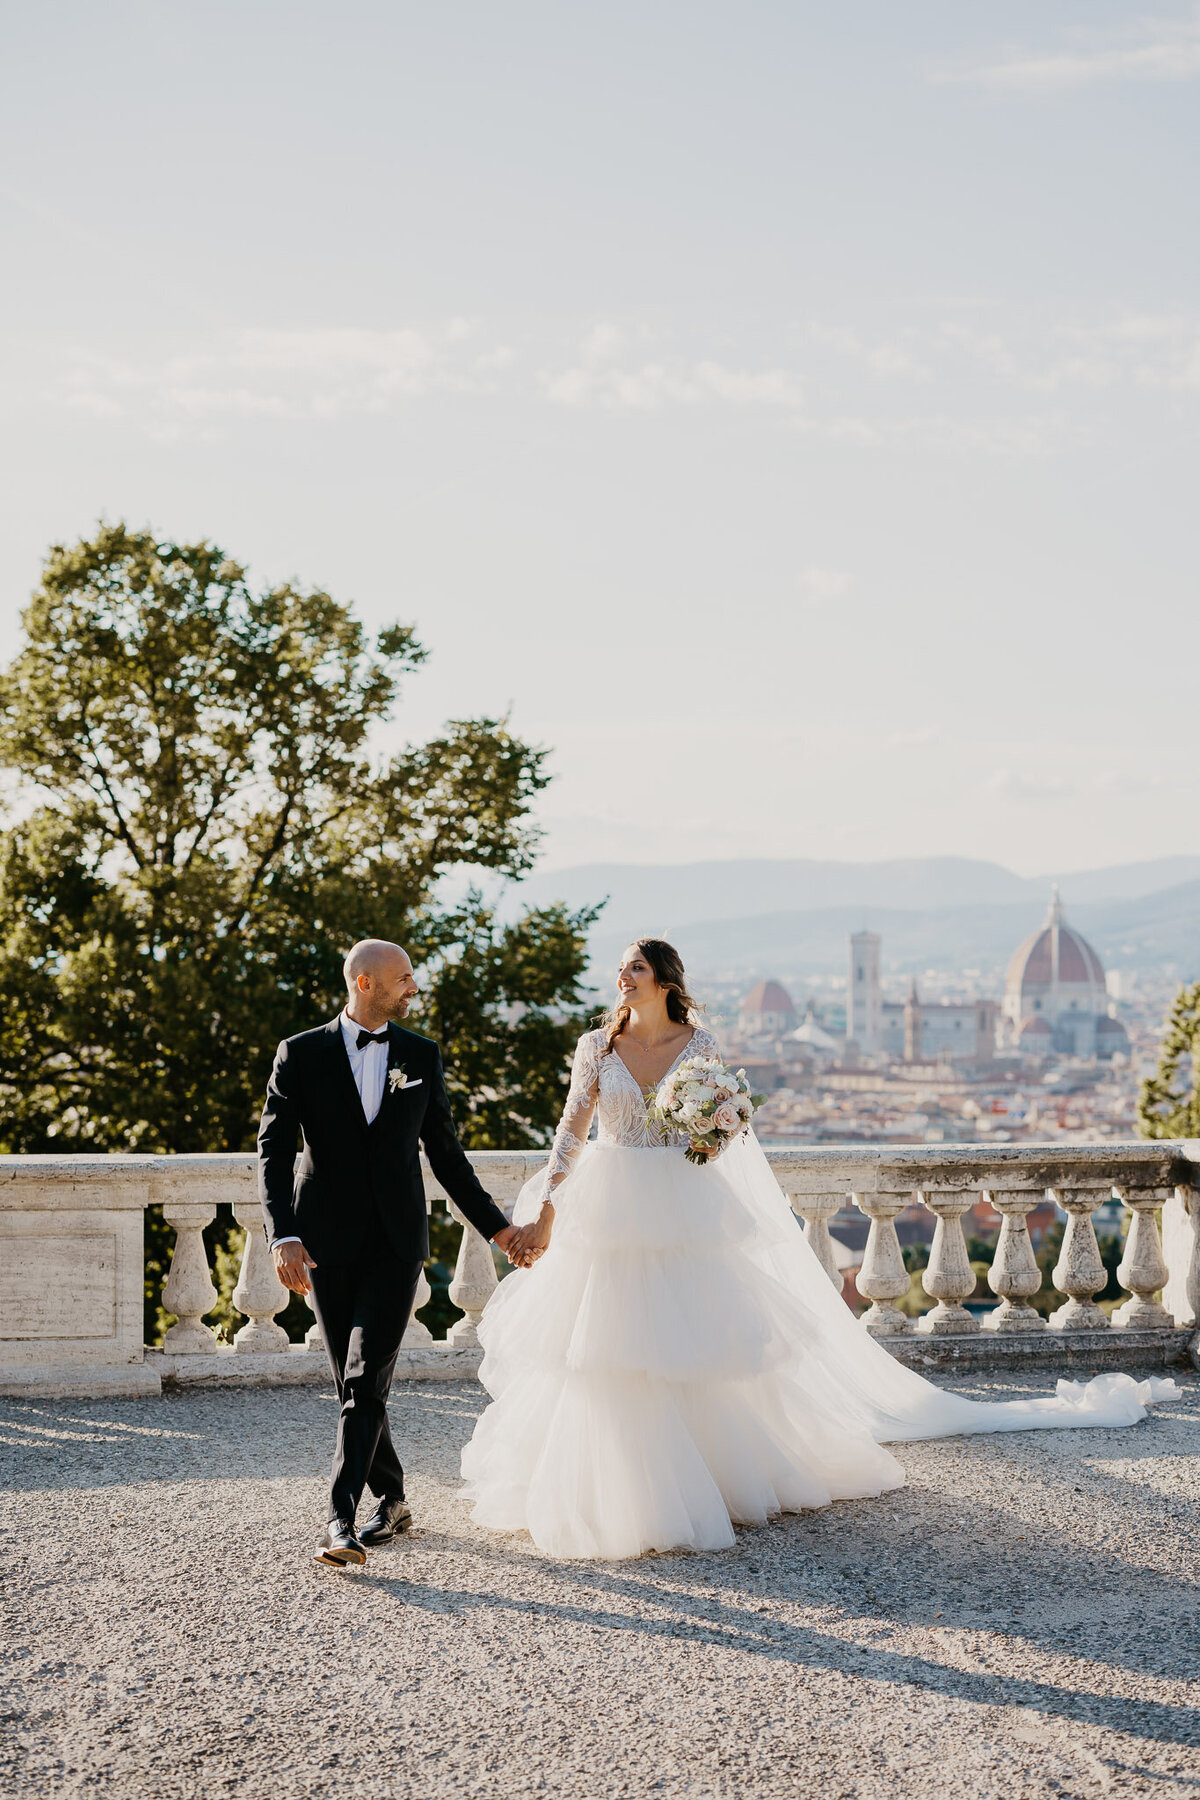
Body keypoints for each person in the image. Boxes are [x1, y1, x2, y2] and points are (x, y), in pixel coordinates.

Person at [461, 938, 1176, 1560]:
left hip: (679, 1201)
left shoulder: (700, 1046)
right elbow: (568, 1135)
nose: (623, 978)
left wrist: (712, 1133)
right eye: (621, 968)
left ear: (666, 981)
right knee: (603, 1349)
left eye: (636, 968)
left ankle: (701, 1477)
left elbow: (723, 1137)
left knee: (689, 1343)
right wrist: (549, 1209)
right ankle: (608, 1482)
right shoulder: (597, 1047)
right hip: (613, 1202)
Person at [258, 938, 521, 1568]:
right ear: (365, 983)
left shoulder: (420, 1056)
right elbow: (272, 1152)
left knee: (362, 1375)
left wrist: (498, 1230)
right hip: (322, 1245)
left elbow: (449, 1159)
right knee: (356, 1384)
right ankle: (396, 1499)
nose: (413, 989)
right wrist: (282, 1235)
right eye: (403, 979)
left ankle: (339, 1519)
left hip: (399, 1244)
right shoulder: (300, 1053)